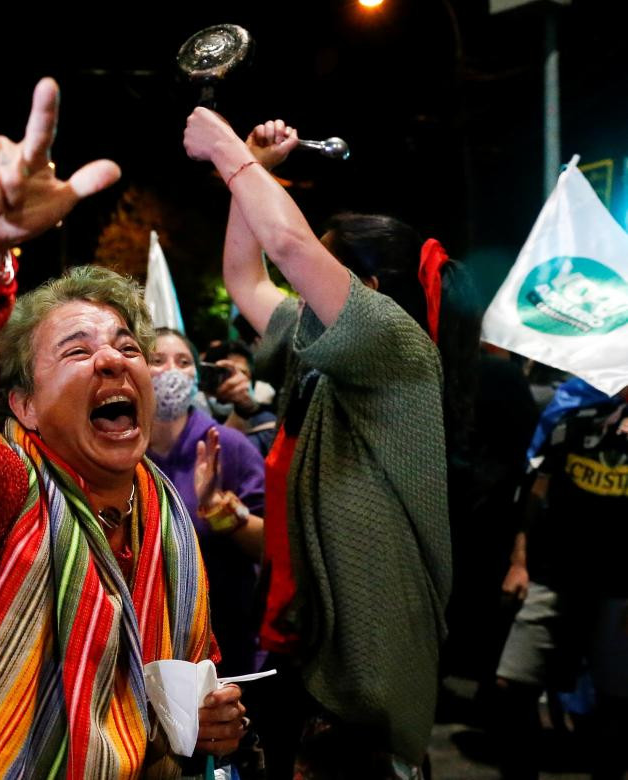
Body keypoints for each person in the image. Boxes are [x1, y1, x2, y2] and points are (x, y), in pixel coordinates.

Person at [0, 78, 247, 779]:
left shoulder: (165, 512)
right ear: (22, 405)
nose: (113, 358)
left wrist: (206, 724)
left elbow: (181, 673)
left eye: (126, 346)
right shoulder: (1, 492)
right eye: (78, 351)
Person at [184, 113, 454, 778]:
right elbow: (247, 278)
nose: (305, 279)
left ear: (374, 289)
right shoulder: (318, 355)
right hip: (315, 657)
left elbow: (289, 246)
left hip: (372, 677)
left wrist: (224, 149)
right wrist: (252, 170)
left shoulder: (396, 348)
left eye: (329, 264)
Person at [493, 379, 628, 780]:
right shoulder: (573, 423)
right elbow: (535, 494)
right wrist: (519, 563)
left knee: (616, 705)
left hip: (619, 588)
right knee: (511, 684)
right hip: (555, 574)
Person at [147, 327, 265, 676]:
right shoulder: (119, 448)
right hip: (150, 644)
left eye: (183, 362)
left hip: (227, 640)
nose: (170, 371)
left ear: (197, 378)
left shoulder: (228, 446)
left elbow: (268, 546)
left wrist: (218, 507)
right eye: (157, 360)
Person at [200, 339, 277, 456]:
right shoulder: (191, 415)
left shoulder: (267, 424)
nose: (234, 381)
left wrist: (246, 408)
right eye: (224, 373)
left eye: (242, 373)